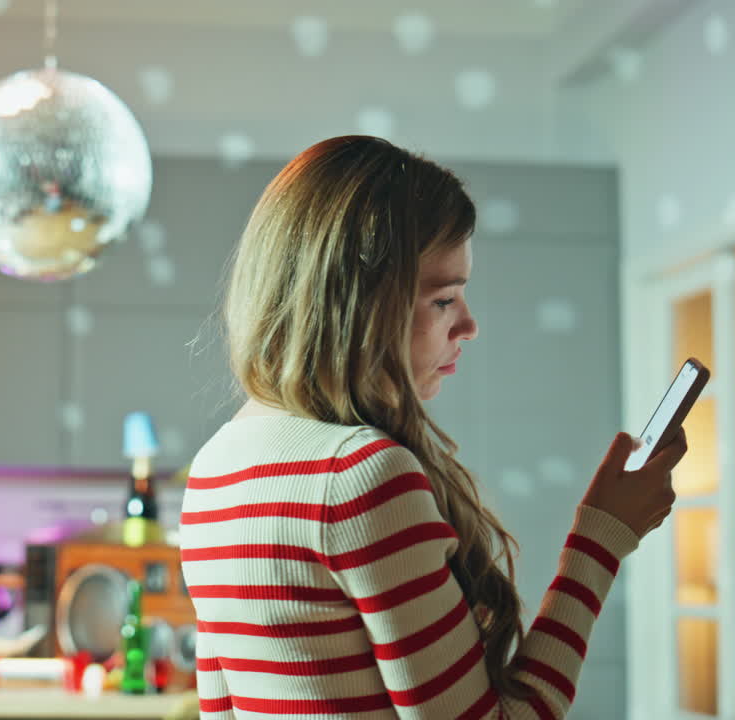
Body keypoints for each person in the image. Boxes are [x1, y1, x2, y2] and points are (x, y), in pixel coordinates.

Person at [179, 135, 685, 719]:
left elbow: (220, 711)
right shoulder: (360, 478)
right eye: (443, 299)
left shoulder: (216, 467)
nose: (468, 324)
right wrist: (600, 541)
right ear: (364, 302)